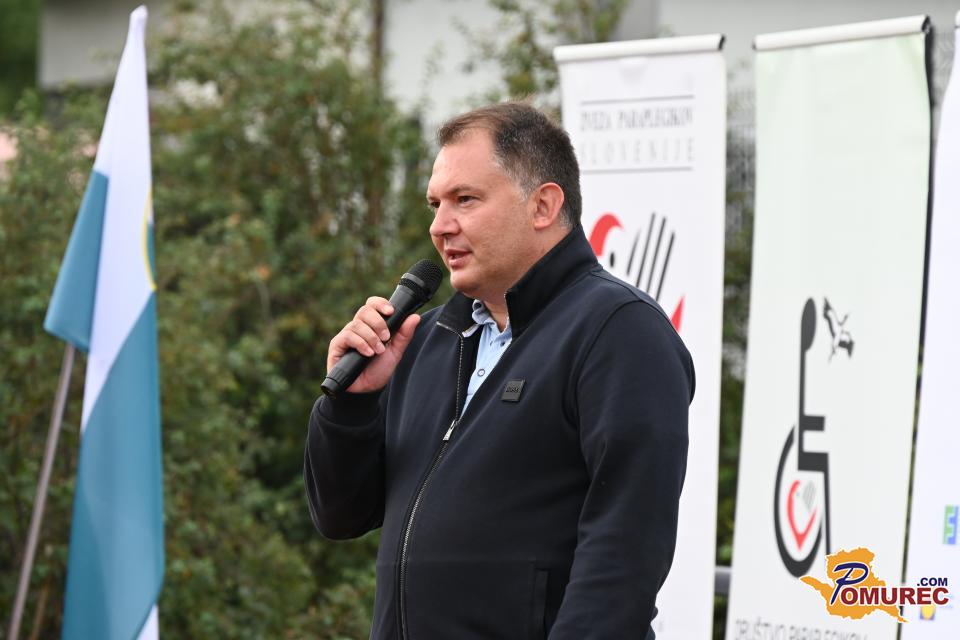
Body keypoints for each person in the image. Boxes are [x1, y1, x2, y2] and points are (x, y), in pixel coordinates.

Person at [304, 102, 694, 639]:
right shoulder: (426, 338)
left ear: (543, 206)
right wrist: (352, 405)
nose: (440, 227)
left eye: (465, 200)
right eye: (435, 204)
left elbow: (625, 553)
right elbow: (341, 515)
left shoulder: (619, 331)